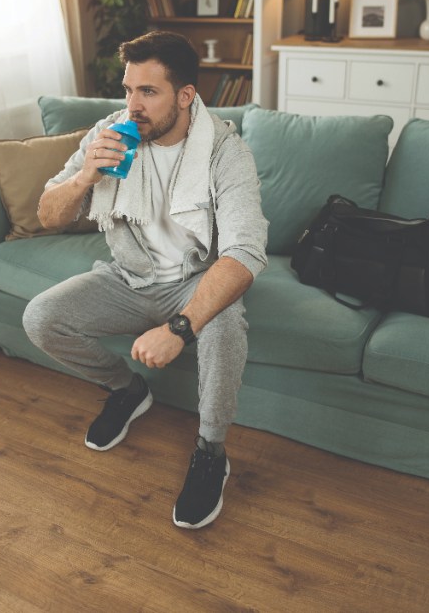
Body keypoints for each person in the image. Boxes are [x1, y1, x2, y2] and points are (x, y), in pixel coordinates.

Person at [22, 31, 267, 529]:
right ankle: (128, 390)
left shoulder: (225, 151)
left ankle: (211, 450)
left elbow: (244, 252)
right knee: (41, 317)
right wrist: (85, 176)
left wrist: (179, 329)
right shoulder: (110, 133)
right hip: (128, 276)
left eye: (148, 92)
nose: (133, 105)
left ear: (185, 95)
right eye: (128, 90)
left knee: (222, 327)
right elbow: (47, 216)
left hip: (194, 280)